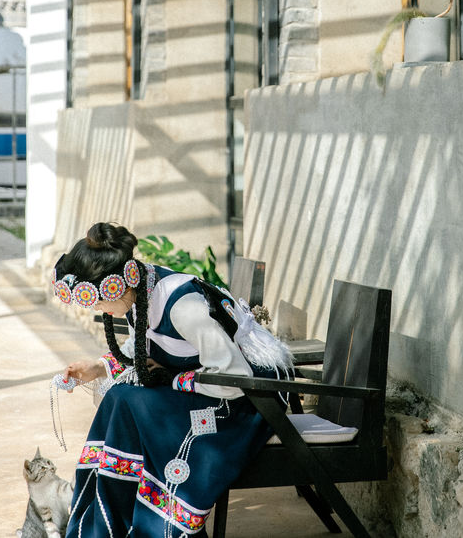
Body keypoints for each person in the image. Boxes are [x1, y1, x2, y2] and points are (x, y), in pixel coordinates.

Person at [52, 221, 292, 538]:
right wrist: (98, 368)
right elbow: (146, 341)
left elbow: (235, 378)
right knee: (119, 397)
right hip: (208, 385)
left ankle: (146, 525)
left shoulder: (184, 307)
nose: (100, 310)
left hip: (249, 401)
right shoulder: (142, 287)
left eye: (98, 301)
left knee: (129, 401)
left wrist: (172, 378)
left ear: (117, 286)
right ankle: (102, 524)